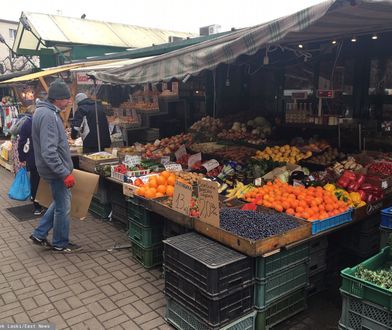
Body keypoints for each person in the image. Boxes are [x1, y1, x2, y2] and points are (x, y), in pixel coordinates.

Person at [29, 79, 81, 252]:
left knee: (59, 202)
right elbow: (49, 152)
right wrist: (64, 173)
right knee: (63, 207)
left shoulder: (42, 111)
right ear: (57, 99)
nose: (68, 102)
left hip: (50, 169)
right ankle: (60, 243)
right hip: (55, 171)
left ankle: (39, 233)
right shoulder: (49, 116)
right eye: (66, 99)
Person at [17, 104, 44, 215]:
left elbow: (22, 142)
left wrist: (22, 157)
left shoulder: (26, 124)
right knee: (43, 181)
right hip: (43, 158)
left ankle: (37, 206)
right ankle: (42, 204)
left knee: (35, 181)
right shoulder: (41, 122)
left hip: (33, 158)